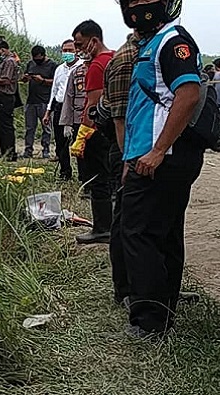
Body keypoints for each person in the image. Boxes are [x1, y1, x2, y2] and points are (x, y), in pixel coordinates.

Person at [111, 0, 206, 338]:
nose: (139, 5)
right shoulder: (150, 43)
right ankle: (163, 309)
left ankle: (149, 320)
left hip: (161, 158)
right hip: (150, 156)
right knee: (163, 233)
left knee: (138, 234)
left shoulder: (172, 41)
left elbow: (189, 94)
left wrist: (156, 151)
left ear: (167, 1)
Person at [101, 31, 139, 308]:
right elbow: (121, 116)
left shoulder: (151, 52)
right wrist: (128, 158)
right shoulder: (127, 59)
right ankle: (126, 290)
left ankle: (157, 288)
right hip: (128, 151)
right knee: (127, 222)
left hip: (139, 151)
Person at [72, 20, 114, 245]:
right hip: (112, 130)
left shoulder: (98, 66)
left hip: (97, 132)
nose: (78, 50)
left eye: (80, 45)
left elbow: (93, 106)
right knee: (111, 180)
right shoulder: (114, 58)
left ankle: (102, 228)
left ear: (94, 41)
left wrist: (82, 136)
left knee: (97, 180)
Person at [43, 40, 83, 180]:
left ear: (76, 50)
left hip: (77, 108)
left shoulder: (82, 67)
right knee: (61, 141)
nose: (67, 53)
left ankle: (83, 174)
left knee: (79, 141)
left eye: (70, 50)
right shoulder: (59, 69)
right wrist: (48, 111)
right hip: (60, 107)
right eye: (64, 50)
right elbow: (54, 91)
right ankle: (65, 172)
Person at [21, 46, 57, 159]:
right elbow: (24, 77)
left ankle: (46, 149)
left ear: (43, 55)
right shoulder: (30, 64)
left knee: (46, 127)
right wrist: (26, 78)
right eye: (34, 58)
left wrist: (43, 81)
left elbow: (56, 82)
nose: (36, 60)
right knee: (29, 128)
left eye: (38, 58)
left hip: (45, 101)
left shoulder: (52, 65)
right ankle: (28, 150)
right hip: (31, 101)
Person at [0, 40, 20, 161]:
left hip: (5, 97)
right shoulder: (5, 62)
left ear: (2, 50)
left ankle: (10, 153)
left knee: (6, 126)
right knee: (0, 125)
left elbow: (6, 80)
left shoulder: (9, 62)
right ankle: (4, 152)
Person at [60, 59, 90, 184]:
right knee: (81, 152)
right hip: (79, 118)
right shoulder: (77, 72)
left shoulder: (103, 67)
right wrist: (67, 122)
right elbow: (69, 97)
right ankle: (84, 180)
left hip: (98, 118)